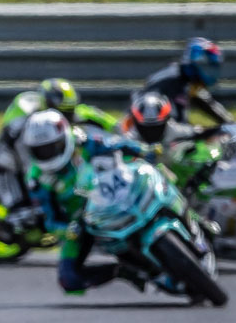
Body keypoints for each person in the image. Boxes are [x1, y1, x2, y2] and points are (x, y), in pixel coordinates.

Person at [21, 110, 152, 296]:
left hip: (116, 190)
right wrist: (68, 230)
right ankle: (122, 271)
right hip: (83, 222)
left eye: (52, 147)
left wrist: (142, 150)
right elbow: (49, 220)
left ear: (64, 138)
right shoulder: (36, 179)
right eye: (40, 150)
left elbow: (114, 143)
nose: (47, 153)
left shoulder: (81, 139)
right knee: (68, 280)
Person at [0, 77, 115, 233]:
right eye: (61, 112)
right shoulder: (29, 129)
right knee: (23, 214)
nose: (65, 117)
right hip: (6, 165)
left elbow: (109, 124)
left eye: (69, 111)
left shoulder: (72, 115)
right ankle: (6, 227)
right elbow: (32, 168)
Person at [142, 37, 231, 125]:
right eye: (207, 67)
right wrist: (200, 131)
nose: (211, 73)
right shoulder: (173, 81)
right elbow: (177, 124)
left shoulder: (188, 81)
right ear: (194, 64)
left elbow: (208, 104)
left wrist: (230, 124)